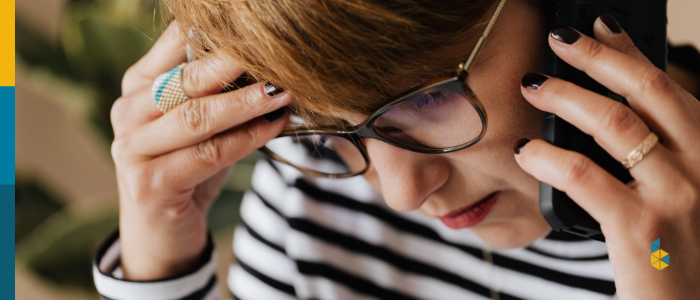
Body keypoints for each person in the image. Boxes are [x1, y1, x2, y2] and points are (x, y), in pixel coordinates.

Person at [93, 0, 700, 299]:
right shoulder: (311, 189)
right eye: (328, 126)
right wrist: (158, 261)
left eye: (429, 99)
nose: (403, 195)